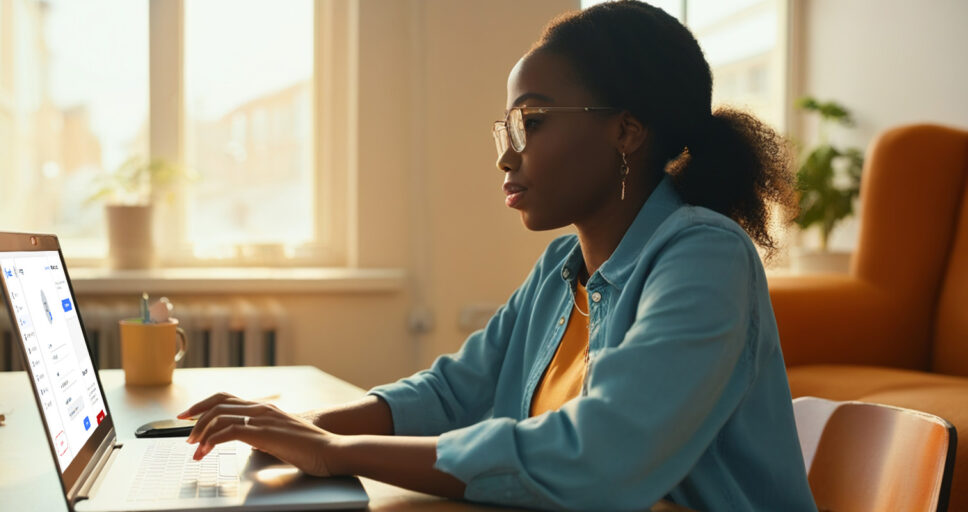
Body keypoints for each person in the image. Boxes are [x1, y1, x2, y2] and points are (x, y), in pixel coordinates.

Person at [178, 1, 818, 510]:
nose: (506, 156)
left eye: (531, 122)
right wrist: (299, 428)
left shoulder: (706, 257)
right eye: (506, 129)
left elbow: (599, 457)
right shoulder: (561, 269)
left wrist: (337, 452)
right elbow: (451, 394)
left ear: (626, 130)